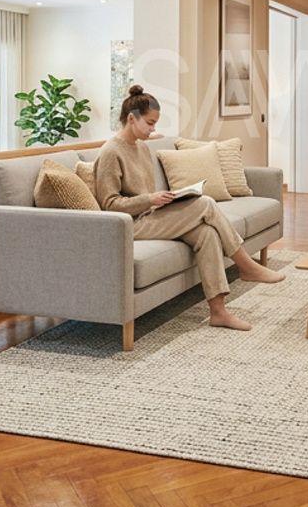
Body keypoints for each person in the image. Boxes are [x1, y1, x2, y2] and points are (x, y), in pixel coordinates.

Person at [94, 86, 284, 331]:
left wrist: (168, 200)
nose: (153, 129)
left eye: (155, 123)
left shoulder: (141, 147)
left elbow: (146, 194)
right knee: (205, 203)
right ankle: (246, 266)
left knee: (207, 234)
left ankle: (218, 312)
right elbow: (109, 204)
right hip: (132, 224)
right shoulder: (110, 152)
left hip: (152, 216)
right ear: (131, 118)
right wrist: (150, 199)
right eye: (150, 123)